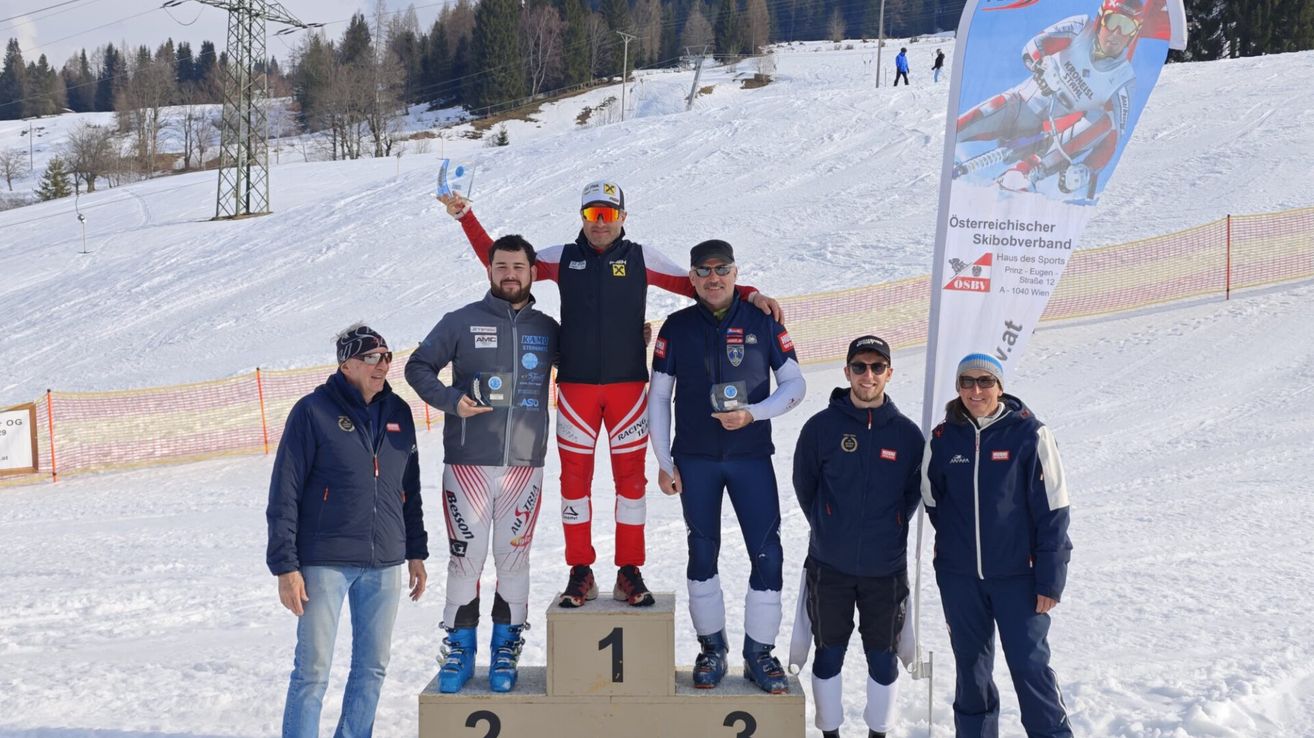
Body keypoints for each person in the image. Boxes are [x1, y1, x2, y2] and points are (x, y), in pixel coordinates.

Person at [437, 182, 782, 609]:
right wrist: (464, 216)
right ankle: (580, 570)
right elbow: (503, 262)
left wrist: (750, 293)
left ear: (622, 215)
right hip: (577, 391)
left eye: (608, 215)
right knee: (574, 484)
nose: (600, 224)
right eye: (591, 215)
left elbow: (700, 285)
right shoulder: (561, 256)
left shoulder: (641, 256)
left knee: (631, 484)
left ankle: (628, 570)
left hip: (627, 390)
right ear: (581, 217)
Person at [648, 239, 806, 693]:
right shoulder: (675, 327)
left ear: (736, 273)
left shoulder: (763, 319)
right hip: (695, 460)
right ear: (692, 278)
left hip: (750, 457)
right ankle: (711, 649)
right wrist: (663, 460)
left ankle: (760, 653)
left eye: (723, 270)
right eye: (704, 271)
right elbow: (658, 397)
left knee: (767, 551)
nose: (714, 278)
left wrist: (753, 414)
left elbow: (794, 385)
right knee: (702, 551)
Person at [405, 235, 559, 694]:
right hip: (468, 465)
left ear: (533, 272)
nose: (510, 274)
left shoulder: (549, 328)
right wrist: (452, 402)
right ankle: (459, 647)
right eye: (501, 266)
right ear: (489, 271)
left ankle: (506, 647)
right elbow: (418, 367)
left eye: (519, 267)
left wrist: (635, 338)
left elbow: (588, 364)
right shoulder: (461, 321)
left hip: (525, 466)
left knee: (514, 559)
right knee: (464, 560)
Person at [266, 324, 429, 738]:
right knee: (313, 671)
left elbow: (408, 487)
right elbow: (284, 490)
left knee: (372, 668)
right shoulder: (312, 411)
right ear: (347, 364)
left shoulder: (399, 413)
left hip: (386, 561)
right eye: (372, 357)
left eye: (387, 356)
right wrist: (286, 566)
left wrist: (416, 551)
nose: (383, 365)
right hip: (325, 562)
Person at [921, 353, 1073, 738]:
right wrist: (957, 546)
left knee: (1029, 665)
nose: (976, 390)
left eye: (985, 382)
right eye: (967, 382)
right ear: (958, 387)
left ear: (1000, 387)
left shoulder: (1029, 434)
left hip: (1018, 577)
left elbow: (1053, 509)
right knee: (970, 669)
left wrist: (1050, 579)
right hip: (960, 579)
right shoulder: (942, 439)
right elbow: (933, 498)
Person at [791, 336, 923, 738]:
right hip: (830, 566)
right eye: (860, 367)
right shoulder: (821, 428)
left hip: (885, 571)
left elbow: (912, 494)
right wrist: (830, 526)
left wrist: (891, 528)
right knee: (828, 654)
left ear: (889, 373)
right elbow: (805, 486)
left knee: (881, 660)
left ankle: (878, 733)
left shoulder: (906, 435)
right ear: (846, 371)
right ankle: (829, 731)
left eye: (877, 367)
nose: (868, 375)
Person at [954, 0, 1151, 198]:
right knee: (983, 114)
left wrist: (1088, 168)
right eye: (1113, 21)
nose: (1117, 33)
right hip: (1022, 108)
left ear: (1134, 34)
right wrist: (1041, 66)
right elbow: (1034, 45)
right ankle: (943, 150)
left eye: (1126, 26)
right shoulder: (1081, 27)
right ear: (1101, 20)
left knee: (1105, 121)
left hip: (1052, 138)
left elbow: (1111, 139)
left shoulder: (1124, 80)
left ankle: (1024, 175)